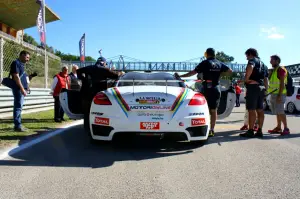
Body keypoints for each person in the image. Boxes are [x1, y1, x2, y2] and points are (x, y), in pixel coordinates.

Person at [176, 48, 232, 137]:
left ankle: (204, 127)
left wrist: (181, 76)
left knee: (205, 108)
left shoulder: (205, 63)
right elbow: (230, 71)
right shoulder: (219, 63)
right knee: (214, 110)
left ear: (206, 54)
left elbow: (193, 72)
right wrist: (219, 75)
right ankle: (212, 130)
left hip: (207, 88)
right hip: (216, 88)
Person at [76, 57, 124, 132]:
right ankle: (98, 128)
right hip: (99, 95)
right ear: (103, 63)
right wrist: (120, 73)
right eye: (105, 63)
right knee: (98, 113)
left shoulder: (89, 67)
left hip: (86, 94)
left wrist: (84, 79)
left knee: (87, 112)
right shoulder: (105, 70)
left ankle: (86, 128)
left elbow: (78, 71)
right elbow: (116, 76)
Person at [240, 48, 269, 138]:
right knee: (260, 110)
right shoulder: (264, 65)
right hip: (261, 88)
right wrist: (266, 90)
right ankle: (259, 130)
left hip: (252, 87)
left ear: (250, 54)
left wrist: (246, 79)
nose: (246, 58)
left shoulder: (252, 61)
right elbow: (266, 79)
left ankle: (251, 130)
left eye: (247, 56)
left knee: (251, 110)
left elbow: (250, 67)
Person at [267, 55, 290, 135]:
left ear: (277, 61)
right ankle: (278, 127)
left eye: (272, 60)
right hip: (274, 93)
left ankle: (286, 128)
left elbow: (282, 83)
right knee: (277, 111)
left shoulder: (281, 69)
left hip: (279, 94)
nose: (270, 62)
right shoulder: (274, 70)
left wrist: (279, 95)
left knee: (280, 111)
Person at [9, 50, 30, 132]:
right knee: (18, 107)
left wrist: (27, 87)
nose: (28, 59)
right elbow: (16, 77)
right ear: (22, 55)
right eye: (27, 57)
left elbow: (23, 78)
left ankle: (18, 124)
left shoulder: (22, 65)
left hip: (22, 89)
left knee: (19, 107)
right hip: (18, 89)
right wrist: (22, 89)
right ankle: (17, 126)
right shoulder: (16, 63)